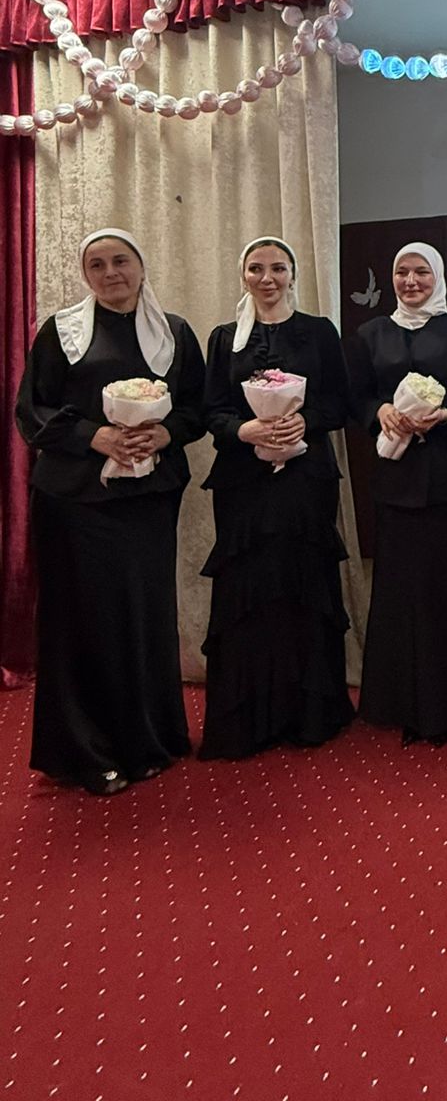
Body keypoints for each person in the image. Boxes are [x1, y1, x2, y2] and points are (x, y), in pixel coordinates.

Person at [16, 228, 205, 795]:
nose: (110, 273)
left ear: (141, 267)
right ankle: (85, 752)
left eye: (120, 261)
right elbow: (32, 410)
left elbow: (195, 408)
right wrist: (94, 437)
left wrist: (165, 435)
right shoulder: (61, 333)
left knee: (143, 618)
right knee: (83, 622)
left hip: (147, 500)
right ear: (85, 275)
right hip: (75, 501)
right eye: (96, 265)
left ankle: (146, 740)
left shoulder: (174, 332)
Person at [199, 237, 354, 760]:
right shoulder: (225, 338)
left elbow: (340, 403)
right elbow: (212, 411)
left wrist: (303, 422)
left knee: (303, 583)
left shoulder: (320, 331)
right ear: (243, 275)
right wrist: (244, 430)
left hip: (306, 479)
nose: (267, 278)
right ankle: (249, 719)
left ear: (293, 274)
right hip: (243, 483)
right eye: (256, 268)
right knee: (249, 590)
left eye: (278, 268)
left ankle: (308, 714)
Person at [346, 242, 447, 743]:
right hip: (395, 476)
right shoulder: (370, 333)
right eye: (402, 272)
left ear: (439, 277)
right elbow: (358, 396)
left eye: (422, 273)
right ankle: (400, 701)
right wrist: (380, 412)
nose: (411, 282)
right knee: (399, 589)